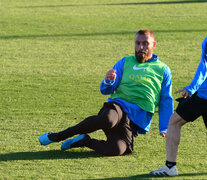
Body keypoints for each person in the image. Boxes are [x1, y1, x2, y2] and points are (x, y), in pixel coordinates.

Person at [38, 29, 173, 156]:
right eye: (138, 43)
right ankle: (57, 136)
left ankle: (84, 141)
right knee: (108, 119)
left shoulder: (162, 69)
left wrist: (165, 127)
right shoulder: (125, 62)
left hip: (134, 120)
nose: (141, 47)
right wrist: (108, 81)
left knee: (118, 149)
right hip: (118, 107)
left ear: (153, 45)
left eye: (145, 43)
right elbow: (105, 90)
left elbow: (166, 99)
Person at [150, 36, 207, 176]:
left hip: (204, 96)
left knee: (174, 121)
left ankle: (170, 167)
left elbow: (204, 66)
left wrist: (193, 88)